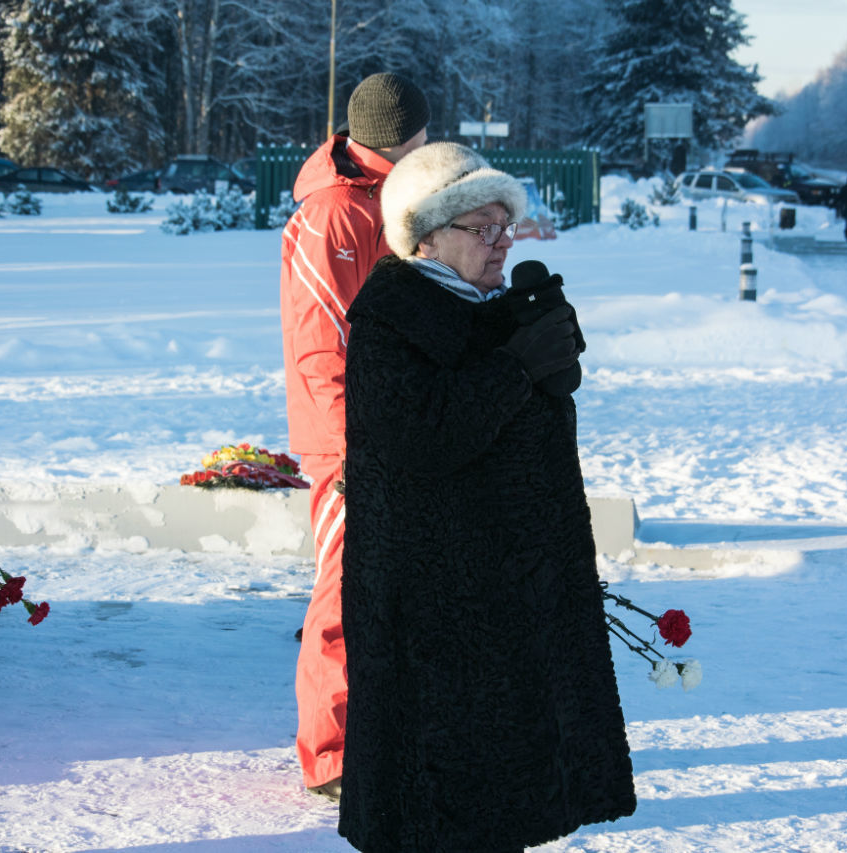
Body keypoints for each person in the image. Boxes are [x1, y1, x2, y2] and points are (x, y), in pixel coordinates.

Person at [338, 141, 637, 852]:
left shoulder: (488, 307)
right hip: (434, 611)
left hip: (505, 593)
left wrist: (550, 357)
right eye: (483, 228)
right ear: (427, 237)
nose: (503, 242)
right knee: (442, 805)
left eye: (506, 225)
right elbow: (424, 437)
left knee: (507, 793)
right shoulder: (390, 319)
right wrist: (515, 368)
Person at [278, 72, 429, 801]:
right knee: (345, 591)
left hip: (390, 428)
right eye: (423, 135)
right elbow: (321, 344)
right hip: (351, 440)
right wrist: (354, 446)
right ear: (405, 137)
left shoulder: (387, 199)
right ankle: (332, 754)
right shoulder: (338, 211)